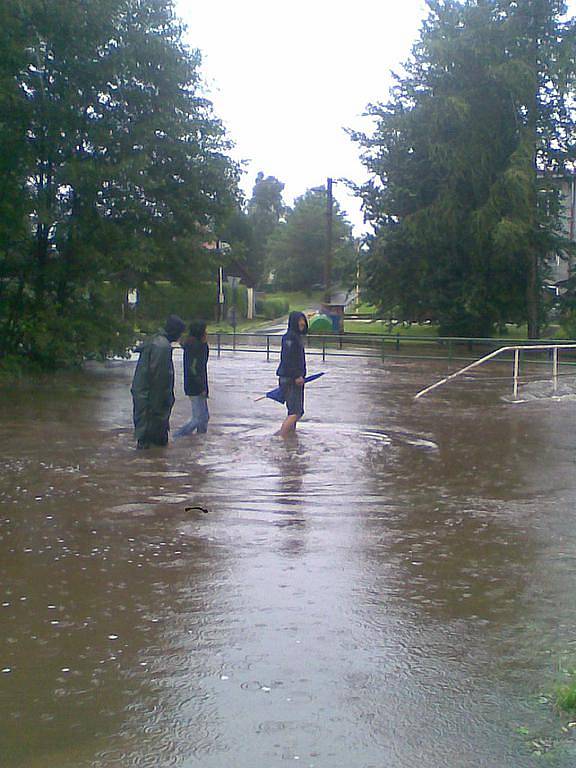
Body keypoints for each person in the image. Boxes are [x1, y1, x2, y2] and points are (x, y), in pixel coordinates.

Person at [130, 314, 186, 449]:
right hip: (152, 405)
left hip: (145, 400)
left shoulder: (156, 341)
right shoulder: (162, 347)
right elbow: (160, 380)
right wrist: (161, 409)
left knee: (146, 445)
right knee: (153, 447)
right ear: (175, 331)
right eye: (180, 333)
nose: (179, 337)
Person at [174, 321, 210, 438]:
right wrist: (201, 387)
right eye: (205, 331)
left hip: (197, 385)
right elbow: (195, 369)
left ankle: (199, 442)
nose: (207, 333)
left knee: (204, 417)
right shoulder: (196, 348)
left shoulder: (197, 346)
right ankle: (177, 436)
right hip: (195, 386)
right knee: (197, 419)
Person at [276, 311, 308, 438]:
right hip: (291, 380)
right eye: (299, 320)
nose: (302, 323)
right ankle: (281, 438)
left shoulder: (294, 337)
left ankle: (291, 440)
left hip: (292, 379)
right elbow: (288, 359)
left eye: (303, 320)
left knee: (293, 412)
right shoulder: (290, 337)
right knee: (296, 412)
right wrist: (297, 376)